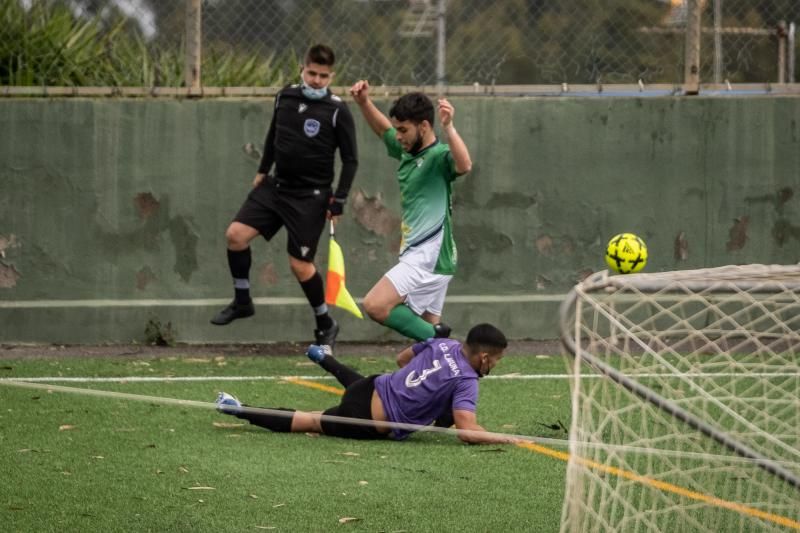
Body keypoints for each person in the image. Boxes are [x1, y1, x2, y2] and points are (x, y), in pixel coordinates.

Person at [210, 44, 358, 347]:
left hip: (311, 197)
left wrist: (339, 199)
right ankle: (242, 301)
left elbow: (351, 159)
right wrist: (263, 170)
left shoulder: (337, 110)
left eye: (323, 76)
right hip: (276, 187)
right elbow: (273, 134)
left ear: (332, 76)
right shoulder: (285, 96)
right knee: (235, 235)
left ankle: (325, 322)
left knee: (300, 265)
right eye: (312, 73)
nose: (316, 80)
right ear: (302, 69)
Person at [215, 323, 519, 444]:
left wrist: (418, 389)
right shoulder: (467, 381)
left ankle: (322, 357)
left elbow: (402, 359)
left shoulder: (442, 343)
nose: (494, 365)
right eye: (496, 360)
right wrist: (505, 438)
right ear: (483, 357)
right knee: (311, 420)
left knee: (357, 383)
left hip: (374, 386)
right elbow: (467, 431)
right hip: (368, 421)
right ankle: (239, 410)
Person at [349, 81, 472, 341]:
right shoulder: (407, 150)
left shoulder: (438, 157)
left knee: (375, 304)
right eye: (398, 129)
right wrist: (364, 102)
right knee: (419, 352)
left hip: (428, 256)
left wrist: (449, 127)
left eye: (403, 130)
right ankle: (440, 356)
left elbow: (464, 164)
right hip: (427, 256)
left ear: (424, 127)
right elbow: (383, 129)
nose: (399, 136)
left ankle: (446, 346)